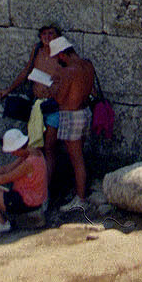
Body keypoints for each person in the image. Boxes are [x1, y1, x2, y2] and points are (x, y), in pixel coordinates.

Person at [47, 35, 95, 214]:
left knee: (76, 159)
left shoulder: (69, 71)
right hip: (84, 112)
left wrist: (53, 86)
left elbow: (60, 98)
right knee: (79, 156)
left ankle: (80, 198)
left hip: (70, 115)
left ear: (61, 55)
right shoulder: (87, 65)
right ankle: (79, 193)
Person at [0, 129, 48, 235]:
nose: (12, 154)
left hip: (25, 201)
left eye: (13, 151)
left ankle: (2, 223)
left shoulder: (28, 163)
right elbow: (7, 169)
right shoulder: (32, 153)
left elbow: (6, 178)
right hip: (28, 198)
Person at [0, 23, 63, 103]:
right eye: (44, 34)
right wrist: (8, 90)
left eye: (50, 33)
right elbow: (26, 71)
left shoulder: (62, 55)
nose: (47, 37)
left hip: (53, 102)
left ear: (57, 36)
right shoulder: (37, 50)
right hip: (36, 100)